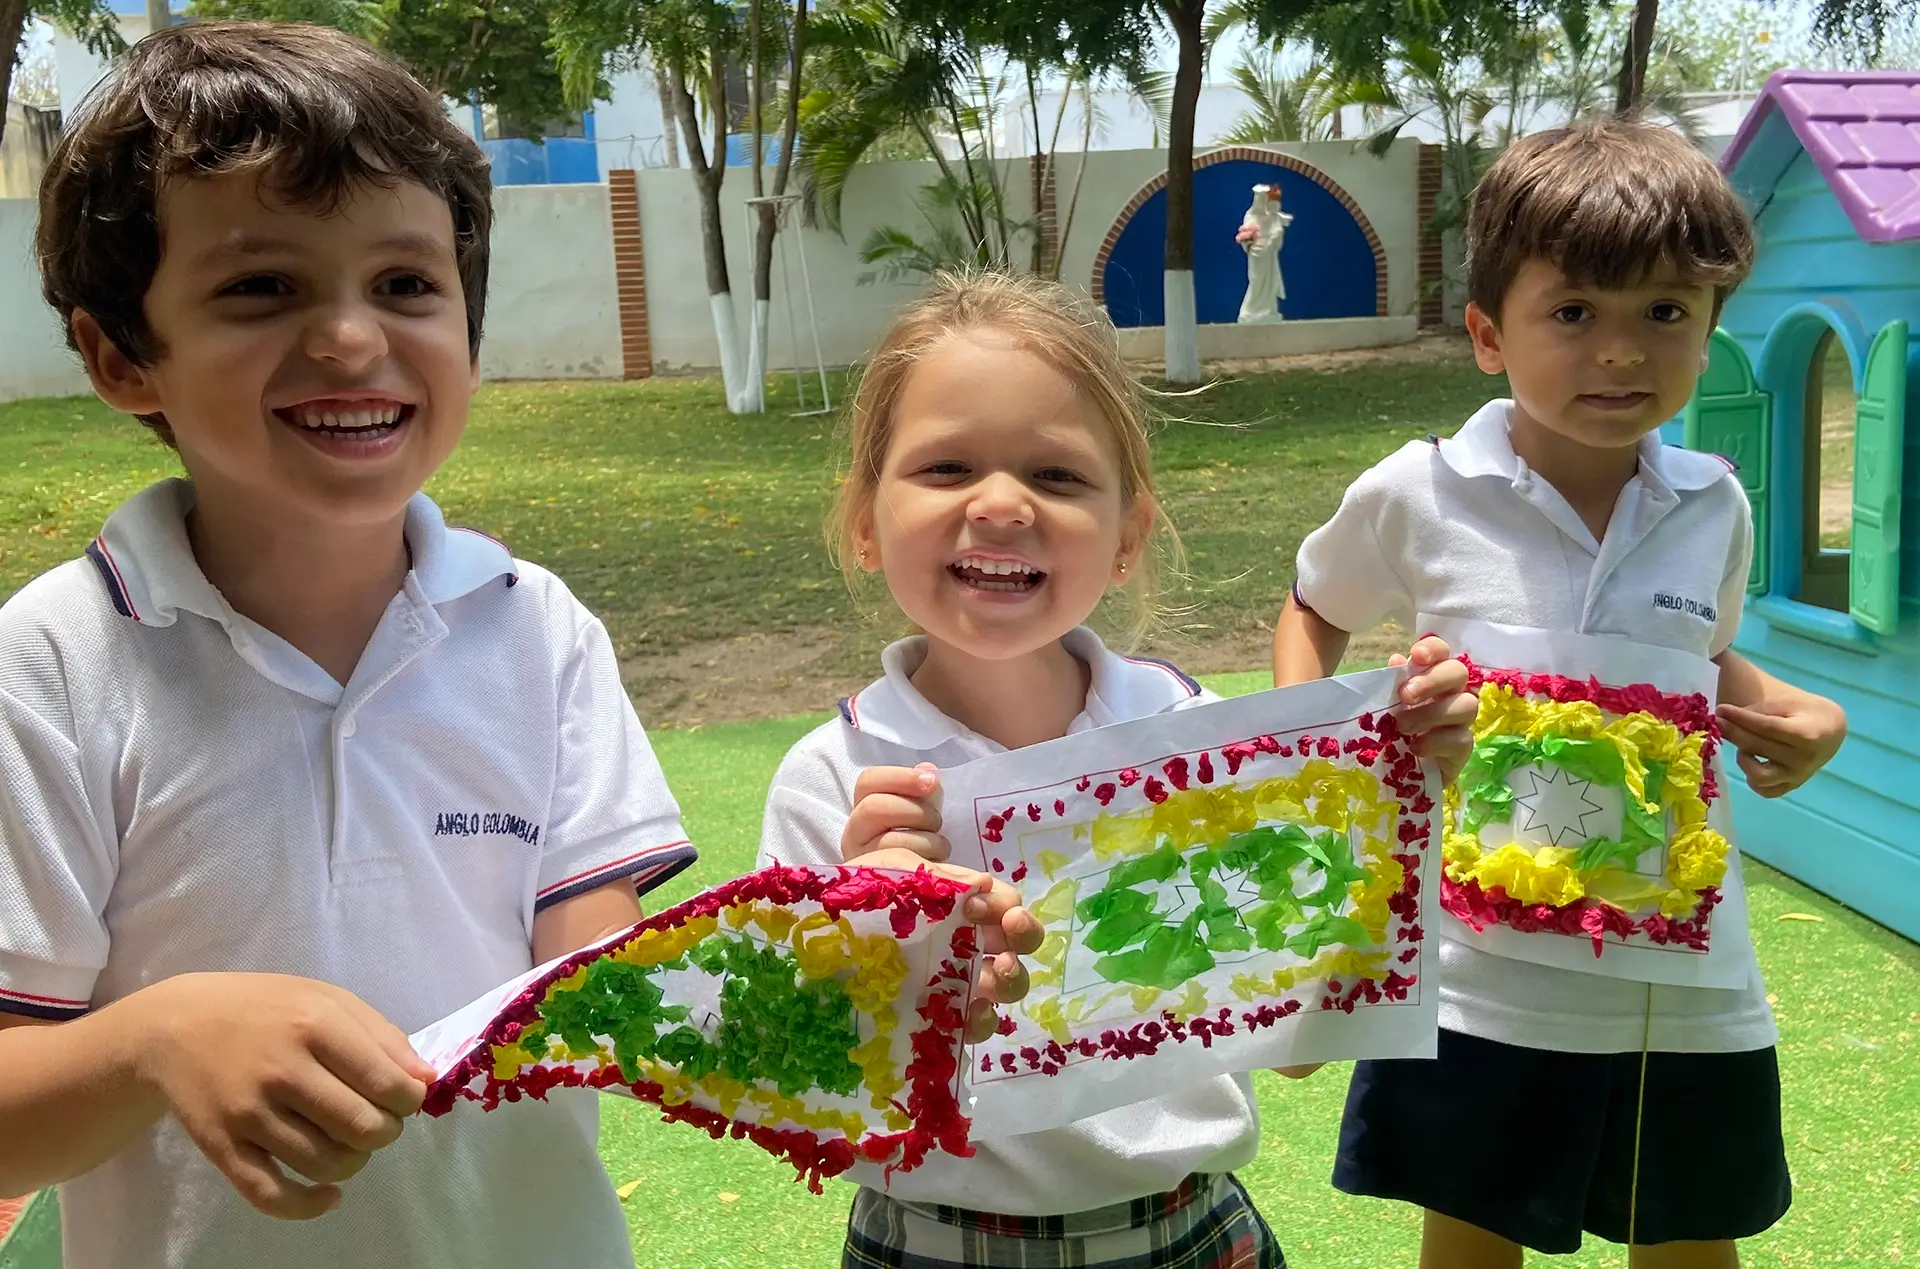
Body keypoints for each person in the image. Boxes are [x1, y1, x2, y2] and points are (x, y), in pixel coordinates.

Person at [0, 24, 1034, 1269]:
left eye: (405, 284)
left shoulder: (531, 627)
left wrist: (864, 965)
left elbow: (606, 994)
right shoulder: (53, 667)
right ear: (121, 357)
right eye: (260, 287)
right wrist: (158, 1038)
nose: (348, 338)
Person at [757, 270, 1478, 1269]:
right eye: (946, 466)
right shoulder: (833, 783)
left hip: (1191, 1231)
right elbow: (813, 1105)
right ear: (866, 525)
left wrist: (1390, 805)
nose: (1001, 506)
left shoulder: (1196, 739)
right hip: (926, 1244)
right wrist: (880, 956)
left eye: (1056, 477)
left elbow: (1304, 1045)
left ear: (1129, 537)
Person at [1272, 119, 1849, 1269]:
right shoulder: (1421, 491)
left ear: (1710, 330)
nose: (1622, 353)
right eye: (1575, 312)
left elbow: (1696, 659)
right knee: (1472, 1241)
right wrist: (1328, 751)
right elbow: (1313, 606)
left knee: (1691, 1236)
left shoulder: (1714, 506)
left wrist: (1800, 712)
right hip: (1483, 980)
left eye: (1666, 313)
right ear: (1489, 334)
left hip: (1685, 979)